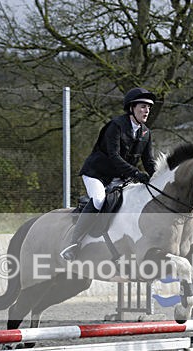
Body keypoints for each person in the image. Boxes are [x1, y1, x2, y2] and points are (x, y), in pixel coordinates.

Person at [60, 87, 158, 261]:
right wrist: (136, 173)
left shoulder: (145, 133)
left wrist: (156, 180)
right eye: (143, 106)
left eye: (149, 107)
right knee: (99, 200)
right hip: (97, 174)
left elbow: (149, 161)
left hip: (121, 177)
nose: (147, 110)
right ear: (132, 108)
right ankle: (73, 244)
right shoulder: (116, 126)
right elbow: (114, 156)